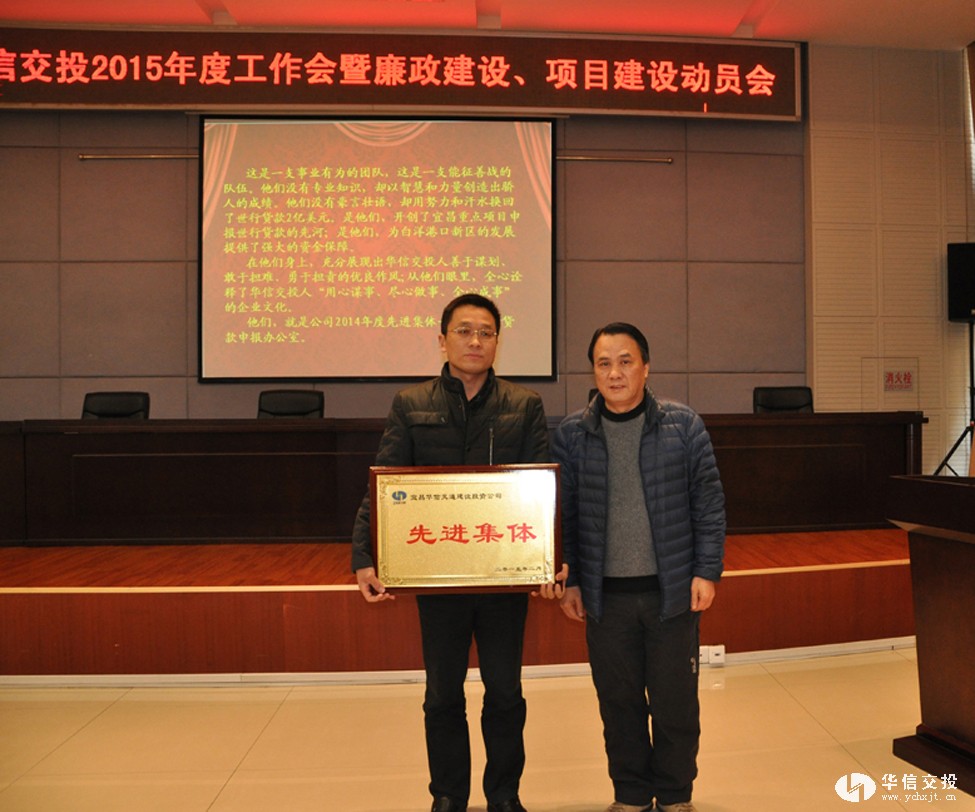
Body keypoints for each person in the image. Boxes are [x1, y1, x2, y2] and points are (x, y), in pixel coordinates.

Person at [351, 293, 561, 812]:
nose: (475, 341)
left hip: (503, 576)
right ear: (442, 339)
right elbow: (385, 482)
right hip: (439, 574)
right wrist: (364, 556)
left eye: (485, 332)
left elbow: (544, 490)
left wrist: (552, 557)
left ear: (497, 342)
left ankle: (504, 794)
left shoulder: (524, 405)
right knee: (442, 694)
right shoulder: (411, 403)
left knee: (505, 692)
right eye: (464, 330)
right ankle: (448, 795)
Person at [552, 322, 726, 812]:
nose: (615, 373)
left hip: (672, 593)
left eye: (625, 362)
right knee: (619, 703)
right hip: (605, 598)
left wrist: (706, 571)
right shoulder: (571, 434)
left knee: (675, 704)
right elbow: (564, 516)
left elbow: (708, 503)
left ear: (646, 367)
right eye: (604, 363)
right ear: (593, 371)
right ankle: (630, 794)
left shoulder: (683, 425)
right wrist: (572, 581)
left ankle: (674, 795)